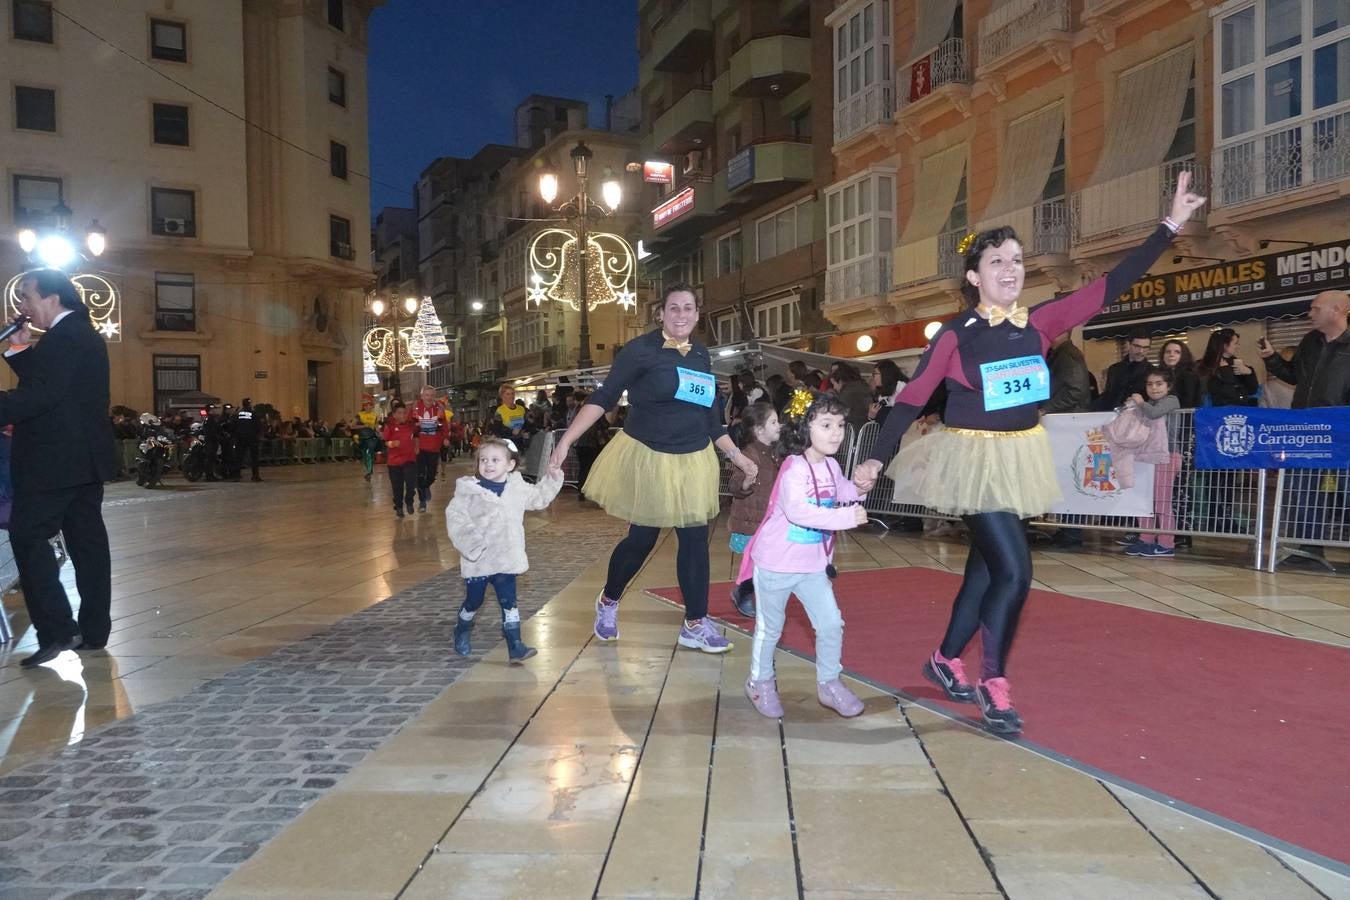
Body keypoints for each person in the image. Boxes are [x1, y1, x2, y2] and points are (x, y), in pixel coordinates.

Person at [852, 173, 1206, 734]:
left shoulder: (1039, 324)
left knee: (984, 573)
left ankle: (945, 660)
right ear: (974, 276)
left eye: (1016, 259)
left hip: (1019, 457)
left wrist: (1169, 227)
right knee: (1015, 573)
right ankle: (994, 685)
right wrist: (874, 457)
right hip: (973, 462)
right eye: (997, 261)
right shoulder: (956, 335)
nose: (1011, 268)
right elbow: (913, 397)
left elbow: (1110, 286)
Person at [547, 283, 759, 652]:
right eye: (673, 308)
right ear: (660, 313)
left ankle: (695, 622)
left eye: (688, 308)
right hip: (650, 455)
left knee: (694, 541)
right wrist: (564, 442)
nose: (681, 315)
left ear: (697, 314)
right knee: (641, 539)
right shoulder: (639, 350)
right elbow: (604, 396)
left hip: (693, 458)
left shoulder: (700, 354)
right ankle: (609, 600)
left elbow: (710, 418)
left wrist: (738, 457)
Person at [0, 269, 117, 667]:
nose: (21, 306)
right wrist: (18, 351)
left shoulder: (65, 338)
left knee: (27, 535)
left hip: (52, 462)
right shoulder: (76, 335)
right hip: (81, 460)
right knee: (87, 545)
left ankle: (58, 629)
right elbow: (51, 385)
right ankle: (95, 629)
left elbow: (41, 395)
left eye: (26, 296)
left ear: (52, 298)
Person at [739, 392, 869, 719]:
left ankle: (829, 682)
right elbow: (800, 512)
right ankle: (759, 681)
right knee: (771, 627)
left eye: (840, 424)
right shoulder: (793, 468)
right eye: (826, 424)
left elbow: (843, 492)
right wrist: (845, 518)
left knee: (830, 624)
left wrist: (861, 487)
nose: (836, 432)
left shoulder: (832, 465)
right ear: (804, 427)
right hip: (777, 564)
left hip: (812, 565)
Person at [445, 437, 563, 662]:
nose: (488, 464)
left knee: (509, 602)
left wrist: (553, 478)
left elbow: (539, 498)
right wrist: (473, 545)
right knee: (474, 601)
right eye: (483, 460)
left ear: (510, 465)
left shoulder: (517, 488)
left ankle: (515, 644)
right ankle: (462, 628)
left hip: (507, 557)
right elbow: (456, 518)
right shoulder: (469, 491)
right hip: (478, 559)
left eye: (495, 460)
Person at [1258, 290, 1350, 568]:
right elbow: (1294, 376)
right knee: (1303, 489)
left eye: (1315, 308)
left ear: (1336, 311)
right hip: (1306, 428)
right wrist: (1272, 358)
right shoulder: (1309, 341)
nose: (1309, 313)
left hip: (1341, 430)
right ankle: (1309, 549)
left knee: (1344, 491)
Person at [1117, 367, 1181, 559]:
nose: (1154, 388)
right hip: (1145, 457)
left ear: (1168, 386)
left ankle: (1166, 543)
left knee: (1162, 502)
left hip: (1167, 457)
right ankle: (1146, 539)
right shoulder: (1146, 404)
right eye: (1150, 384)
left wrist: (1140, 403)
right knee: (1142, 501)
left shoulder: (1171, 400)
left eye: (1159, 383)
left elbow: (1154, 413)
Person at [726, 401, 783, 618]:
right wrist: (746, 483)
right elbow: (735, 484)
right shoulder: (749, 455)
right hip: (752, 523)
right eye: (774, 421)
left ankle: (750, 592)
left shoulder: (776, 453)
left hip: (769, 522)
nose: (779, 425)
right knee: (755, 565)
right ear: (759, 430)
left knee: (764, 563)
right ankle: (743, 593)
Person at [1042, 333, 1092, 549]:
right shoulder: (1060, 355)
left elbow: (1076, 390)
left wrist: (1046, 409)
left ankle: (1072, 531)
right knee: (1064, 477)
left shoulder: (1068, 356)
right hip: (1064, 424)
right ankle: (1068, 528)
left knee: (1069, 476)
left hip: (1068, 425)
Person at [1093, 329, 1153, 411]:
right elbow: (1108, 396)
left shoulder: (1153, 371)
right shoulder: (1114, 369)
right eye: (1137, 346)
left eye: (1145, 347)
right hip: (1114, 417)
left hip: (1139, 419)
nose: (1141, 351)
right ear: (1129, 344)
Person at [411, 385, 448, 513]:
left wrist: (445, 437)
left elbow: (444, 425)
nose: (429, 398)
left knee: (432, 475)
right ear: (422, 396)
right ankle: (422, 501)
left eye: (432, 395)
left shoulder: (439, 408)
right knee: (420, 473)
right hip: (419, 446)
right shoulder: (415, 408)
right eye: (427, 395)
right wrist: (416, 425)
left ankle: (425, 486)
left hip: (434, 446)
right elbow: (410, 425)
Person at [1198, 328, 1258, 407]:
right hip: (1221, 413)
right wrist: (1227, 373)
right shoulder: (1207, 367)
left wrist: (1249, 372)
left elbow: (1252, 390)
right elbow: (1226, 395)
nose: (1238, 346)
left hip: (1242, 409)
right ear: (1225, 345)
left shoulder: (1237, 363)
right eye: (1236, 343)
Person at [567, 391, 607, 503]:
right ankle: (595, 493)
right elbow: (604, 424)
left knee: (583, 468)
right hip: (592, 443)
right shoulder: (595, 409)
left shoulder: (576, 410)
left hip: (579, 443)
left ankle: (582, 492)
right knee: (594, 468)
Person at [381, 403, 417, 518]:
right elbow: (383, 442)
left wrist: (416, 447)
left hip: (410, 460)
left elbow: (417, 433)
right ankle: (399, 507)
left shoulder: (411, 425)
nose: (402, 415)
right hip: (394, 462)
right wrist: (391, 443)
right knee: (397, 486)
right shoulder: (390, 426)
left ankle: (409, 501)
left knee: (411, 484)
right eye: (399, 413)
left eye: (404, 413)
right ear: (394, 415)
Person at [1159, 339, 1202, 408]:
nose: (1171, 355)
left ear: (1184, 355)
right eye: (1168, 352)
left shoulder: (1190, 375)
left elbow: (1189, 402)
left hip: (1184, 415)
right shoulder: (1157, 374)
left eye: (1177, 352)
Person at [831, 363, 872, 431]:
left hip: (853, 433)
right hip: (865, 432)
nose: (834, 387)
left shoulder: (847, 393)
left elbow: (838, 414)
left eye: (834, 384)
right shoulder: (861, 386)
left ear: (840, 381)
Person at [867, 360, 905, 428]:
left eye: (875, 373)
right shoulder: (882, 394)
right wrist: (871, 416)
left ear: (885, 373)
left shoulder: (901, 386)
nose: (873, 377)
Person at [233, 398, 263, 482]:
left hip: (240, 438)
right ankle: (255, 476)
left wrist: (236, 436)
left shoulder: (237, 414)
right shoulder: (253, 414)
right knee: (254, 458)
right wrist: (257, 435)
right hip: (252, 438)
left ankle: (236, 475)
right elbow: (258, 426)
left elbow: (233, 425)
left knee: (239, 457)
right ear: (249, 404)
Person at [355, 416, 381, 481]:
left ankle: (369, 472)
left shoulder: (374, 415)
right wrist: (364, 426)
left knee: (370, 454)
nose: (368, 406)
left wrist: (379, 433)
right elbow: (352, 426)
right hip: (362, 438)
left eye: (370, 405)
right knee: (364, 456)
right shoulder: (359, 415)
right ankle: (369, 471)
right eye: (367, 405)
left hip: (371, 437)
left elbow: (376, 427)